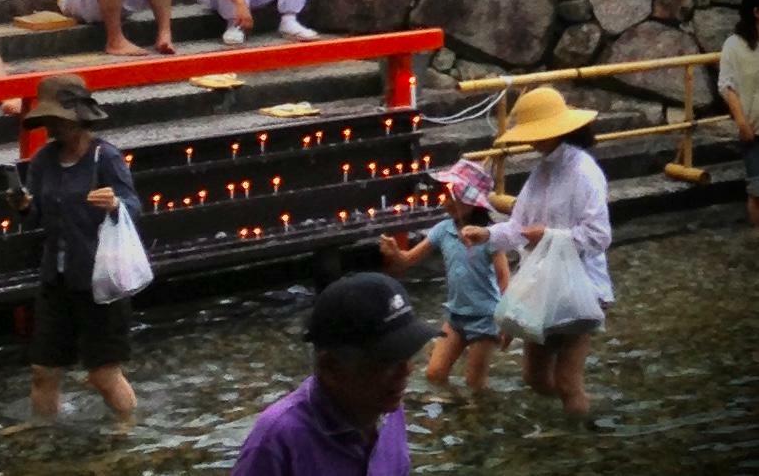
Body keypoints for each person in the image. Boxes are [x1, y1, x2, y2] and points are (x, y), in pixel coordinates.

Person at [459, 86, 613, 416]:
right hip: (543, 285)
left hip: (579, 285)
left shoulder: (585, 173)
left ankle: (581, 432)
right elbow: (518, 228)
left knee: (568, 380)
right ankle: (577, 415)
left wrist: (550, 235)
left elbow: (599, 236)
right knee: (534, 376)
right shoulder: (542, 171)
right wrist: (486, 233)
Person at [11, 74, 140, 420]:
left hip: (100, 282)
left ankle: (128, 426)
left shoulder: (106, 158)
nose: (53, 129)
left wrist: (114, 204)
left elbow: (133, 205)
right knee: (43, 370)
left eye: (59, 121)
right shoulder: (42, 162)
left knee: (102, 374)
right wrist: (24, 207)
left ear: (79, 119)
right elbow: (36, 216)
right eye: (50, 122)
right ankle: (43, 430)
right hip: (57, 280)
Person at [232, 271, 439, 476]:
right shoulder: (276, 441)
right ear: (331, 367)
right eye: (387, 360)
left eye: (408, 354)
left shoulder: (387, 408)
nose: (407, 370)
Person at [379, 159, 509, 391]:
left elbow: (503, 279)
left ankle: (475, 418)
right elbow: (408, 260)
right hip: (455, 315)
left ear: (471, 202)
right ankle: (453, 409)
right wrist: (394, 252)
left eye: (452, 196)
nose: (446, 202)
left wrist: (505, 321)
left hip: (485, 318)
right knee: (434, 374)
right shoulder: (443, 230)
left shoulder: (488, 236)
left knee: (474, 384)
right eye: (445, 195)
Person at [717, 0, 759, 228]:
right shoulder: (734, 46)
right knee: (756, 192)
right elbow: (727, 86)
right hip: (753, 130)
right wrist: (741, 123)